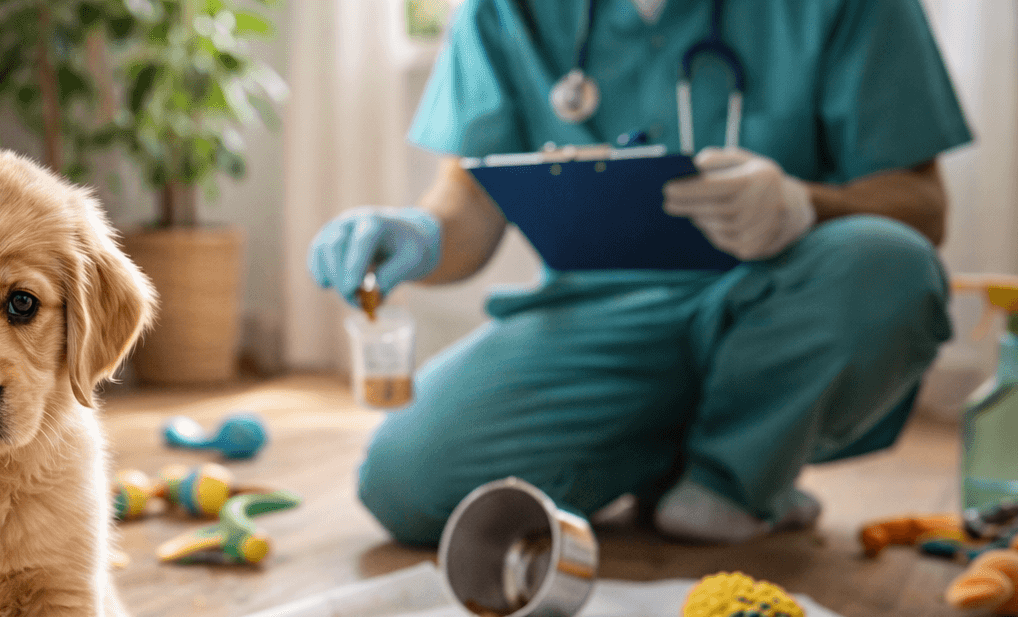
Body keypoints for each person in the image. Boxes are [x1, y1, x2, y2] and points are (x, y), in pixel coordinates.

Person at [308, 0, 971, 545]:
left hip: (782, 303)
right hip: (598, 322)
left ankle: (733, 479)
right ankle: (685, 452)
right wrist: (419, 235)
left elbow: (920, 205)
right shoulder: (506, 10)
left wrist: (803, 206)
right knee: (406, 483)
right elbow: (470, 202)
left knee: (893, 264)